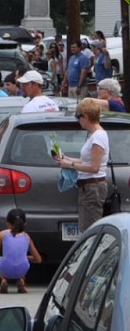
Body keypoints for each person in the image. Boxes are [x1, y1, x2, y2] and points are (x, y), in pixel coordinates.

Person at [60, 96, 112, 231]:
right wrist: (66, 158)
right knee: (85, 227)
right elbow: (86, 160)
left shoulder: (98, 136)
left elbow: (94, 167)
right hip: (88, 187)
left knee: (90, 230)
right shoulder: (93, 135)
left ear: (86, 117)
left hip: (92, 187)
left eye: (78, 116)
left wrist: (70, 165)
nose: (78, 120)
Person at [0, 206, 42, 294]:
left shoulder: (2, 234)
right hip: (22, 269)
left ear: (7, 223)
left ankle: (4, 280)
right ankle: (21, 280)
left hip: (5, 268)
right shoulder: (27, 237)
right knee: (23, 260)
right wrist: (26, 257)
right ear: (25, 223)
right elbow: (38, 259)